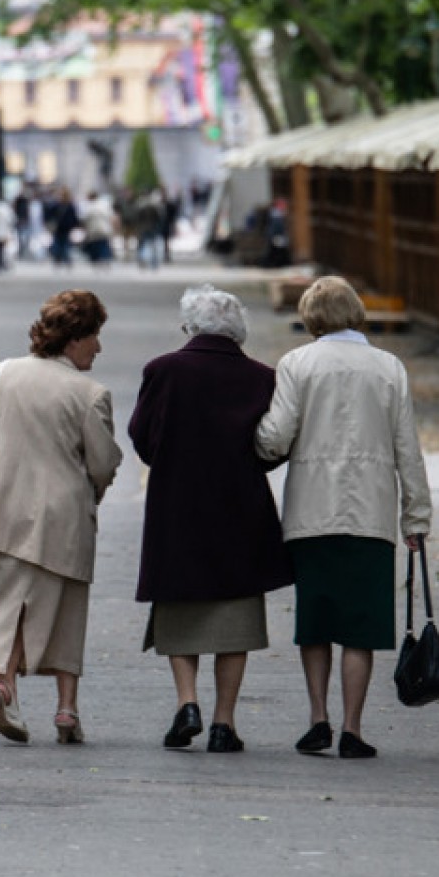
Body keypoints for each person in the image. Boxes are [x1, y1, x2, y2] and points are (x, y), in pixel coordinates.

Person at [255, 276, 432, 760]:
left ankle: (319, 720)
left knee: (315, 623)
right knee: (361, 627)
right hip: (371, 513)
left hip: (312, 511)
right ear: (355, 311)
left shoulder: (297, 364)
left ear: (311, 317)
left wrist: (254, 441)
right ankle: (353, 727)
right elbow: (407, 449)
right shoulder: (389, 368)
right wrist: (415, 516)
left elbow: (276, 435)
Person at [129, 286, 293, 753]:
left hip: (176, 507)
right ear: (238, 331)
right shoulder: (262, 378)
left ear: (190, 327)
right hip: (240, 508)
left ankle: (187, 703)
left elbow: (142, 438)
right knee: (234, 616)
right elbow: (273, 444)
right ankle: (224, 722)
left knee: (179, 607)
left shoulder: (162, 371)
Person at [0, 290, 123, 745]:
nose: (99, 348)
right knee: (67, 606)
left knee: (3, 602)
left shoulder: (0, 374)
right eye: (95, 337)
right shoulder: (90, 394)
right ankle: (66, 710)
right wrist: (96, 486)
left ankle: (3, 681)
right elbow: (103, 464)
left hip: (0, 507)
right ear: (74, 339)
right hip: (62, 517)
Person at [81, 192, 115, 268]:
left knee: (95, 245)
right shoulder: (104, 205)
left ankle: (97, 259)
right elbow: (111, 216)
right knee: (104, 244)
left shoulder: (88, 207)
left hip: (93, 230)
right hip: (104, 228)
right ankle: (105, 258)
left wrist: (84, 229)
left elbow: (84, 219)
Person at [49, 187, 79, 268]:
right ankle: (63, 259)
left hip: (62, 227)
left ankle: (62, 259)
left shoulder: (63, 205)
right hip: (63, 228)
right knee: (62, 244)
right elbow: (74, 217)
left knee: (61, 244)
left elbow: (74, 217)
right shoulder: (66, 205)